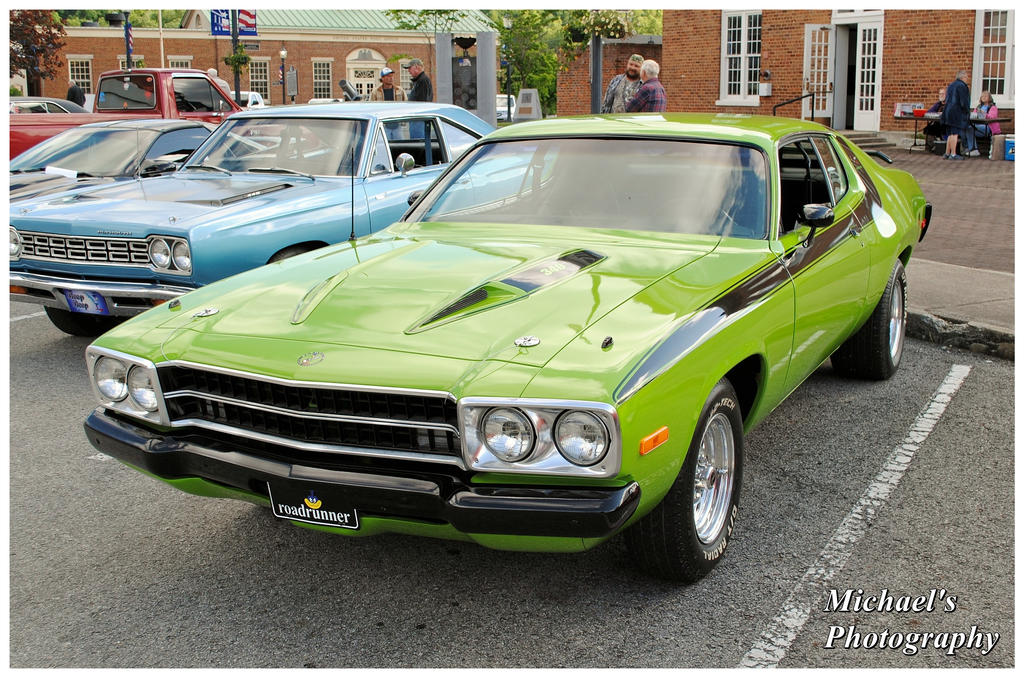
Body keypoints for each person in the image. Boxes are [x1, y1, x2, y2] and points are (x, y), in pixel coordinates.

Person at [940, 69, 970, 160]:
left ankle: (947, 153)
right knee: (955, 133)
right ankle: (953, 154)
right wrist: (966, 111)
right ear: (963, 77)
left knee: (950, 134)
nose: (967, 78)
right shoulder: (962, 86)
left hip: (947, 111)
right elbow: (964, 101)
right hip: (956, 112)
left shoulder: (951, 85)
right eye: (966, 77)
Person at [963, 90, 1001, 157]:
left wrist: (983, 114)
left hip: (988, 127)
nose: (983, 97)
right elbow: (974, 115)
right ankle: (971, 148)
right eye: (982, 96)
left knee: (970, 128)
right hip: (977, 125)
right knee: (967, 128)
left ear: (989, 98)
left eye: (985, 96)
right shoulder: (978, 107)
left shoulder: (993, 107)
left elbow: (992, 117)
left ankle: (973, 149)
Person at [923, 87, 947, 154]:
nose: (941, 95)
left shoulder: (949, 104)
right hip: (937, 123)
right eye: (940, 94)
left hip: (946, 124)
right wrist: (936, 113)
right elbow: (929, 112)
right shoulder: (938, 104)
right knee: (928, 128)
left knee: (941, 129)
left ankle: (941, 147)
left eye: (943, 94)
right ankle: (929, 147)